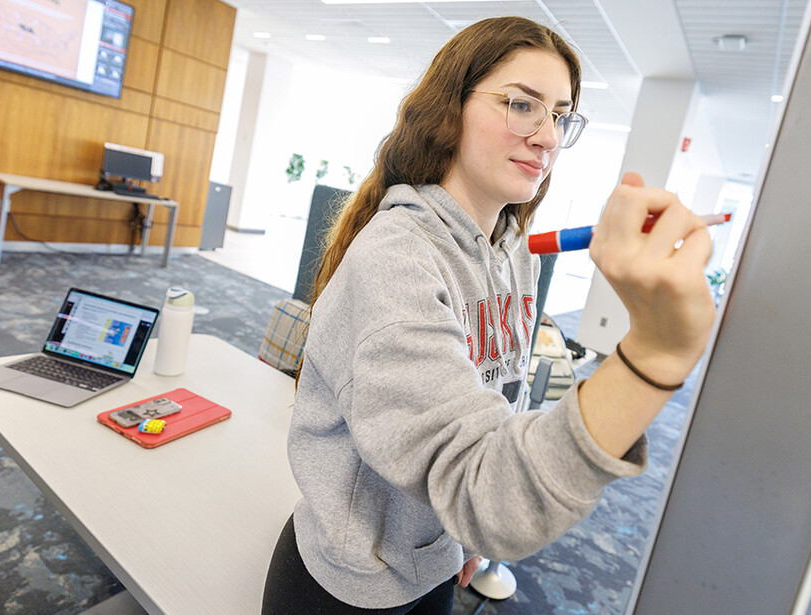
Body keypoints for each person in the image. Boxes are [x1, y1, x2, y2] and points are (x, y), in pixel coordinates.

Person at [262, 15, 716, 614]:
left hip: (436, 559)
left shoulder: (513, 249)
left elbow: (501, 398)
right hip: (352, 583)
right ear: (448, 110)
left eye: (559, 116)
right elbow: (488, 491)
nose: (548, 136)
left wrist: (461, 535)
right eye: (522, 105)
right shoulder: (395, 259)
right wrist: (655, 353)